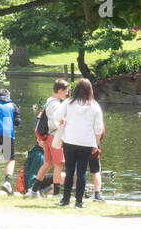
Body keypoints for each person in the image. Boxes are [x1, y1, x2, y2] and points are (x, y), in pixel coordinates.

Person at [57, 78, 105, 208]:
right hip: (86, 142)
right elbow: (98, 128)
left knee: (69, 171)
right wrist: (95, 143)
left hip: (69, 140)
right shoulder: (94, 106)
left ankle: (65, 199)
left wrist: (64, 120)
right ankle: (79, 201)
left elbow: (57, 116)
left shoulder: (68, 103)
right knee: (82, 171)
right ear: (90, 90)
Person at [31, 79, 69, 197]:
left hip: (47, 137)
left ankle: (33, 190)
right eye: (66, 91)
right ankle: (56, 194)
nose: (67, 93)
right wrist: (63, 122)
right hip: (54, 137)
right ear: (59, 90)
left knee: (48, 163)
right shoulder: (55, 104)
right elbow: (53, 124)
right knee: (59, 164)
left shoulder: (50, 101)